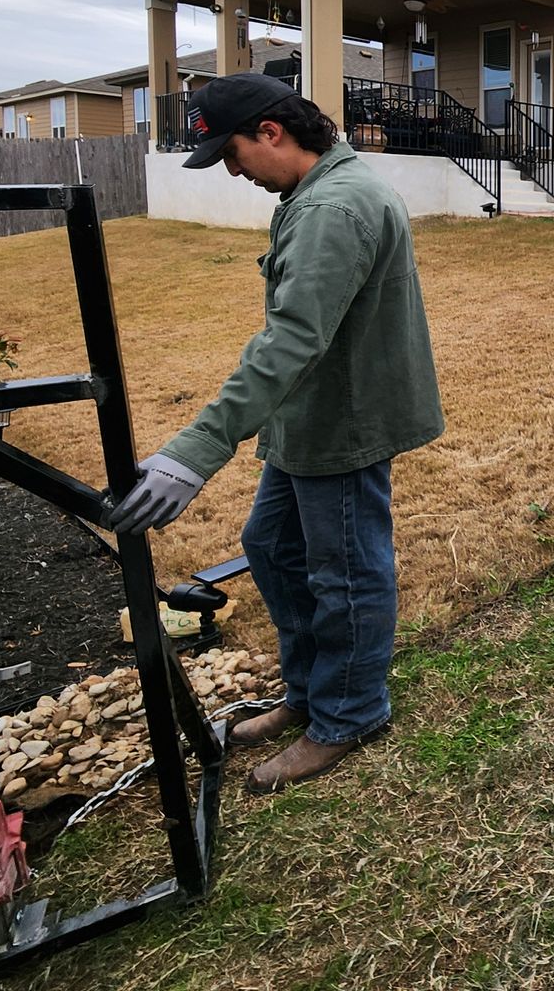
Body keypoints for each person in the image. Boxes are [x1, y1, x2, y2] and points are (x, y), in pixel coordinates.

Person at [108, 72, 444, 793]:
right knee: (272, 546)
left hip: (342, 419)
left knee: (345, 573)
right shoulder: (316, 192)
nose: (232, 171)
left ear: (271, 132)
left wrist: (195, 450)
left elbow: (291, 340)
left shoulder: (335, 207)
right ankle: (313, 692)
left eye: (231, 154)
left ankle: (350, 714)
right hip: (311, 413)